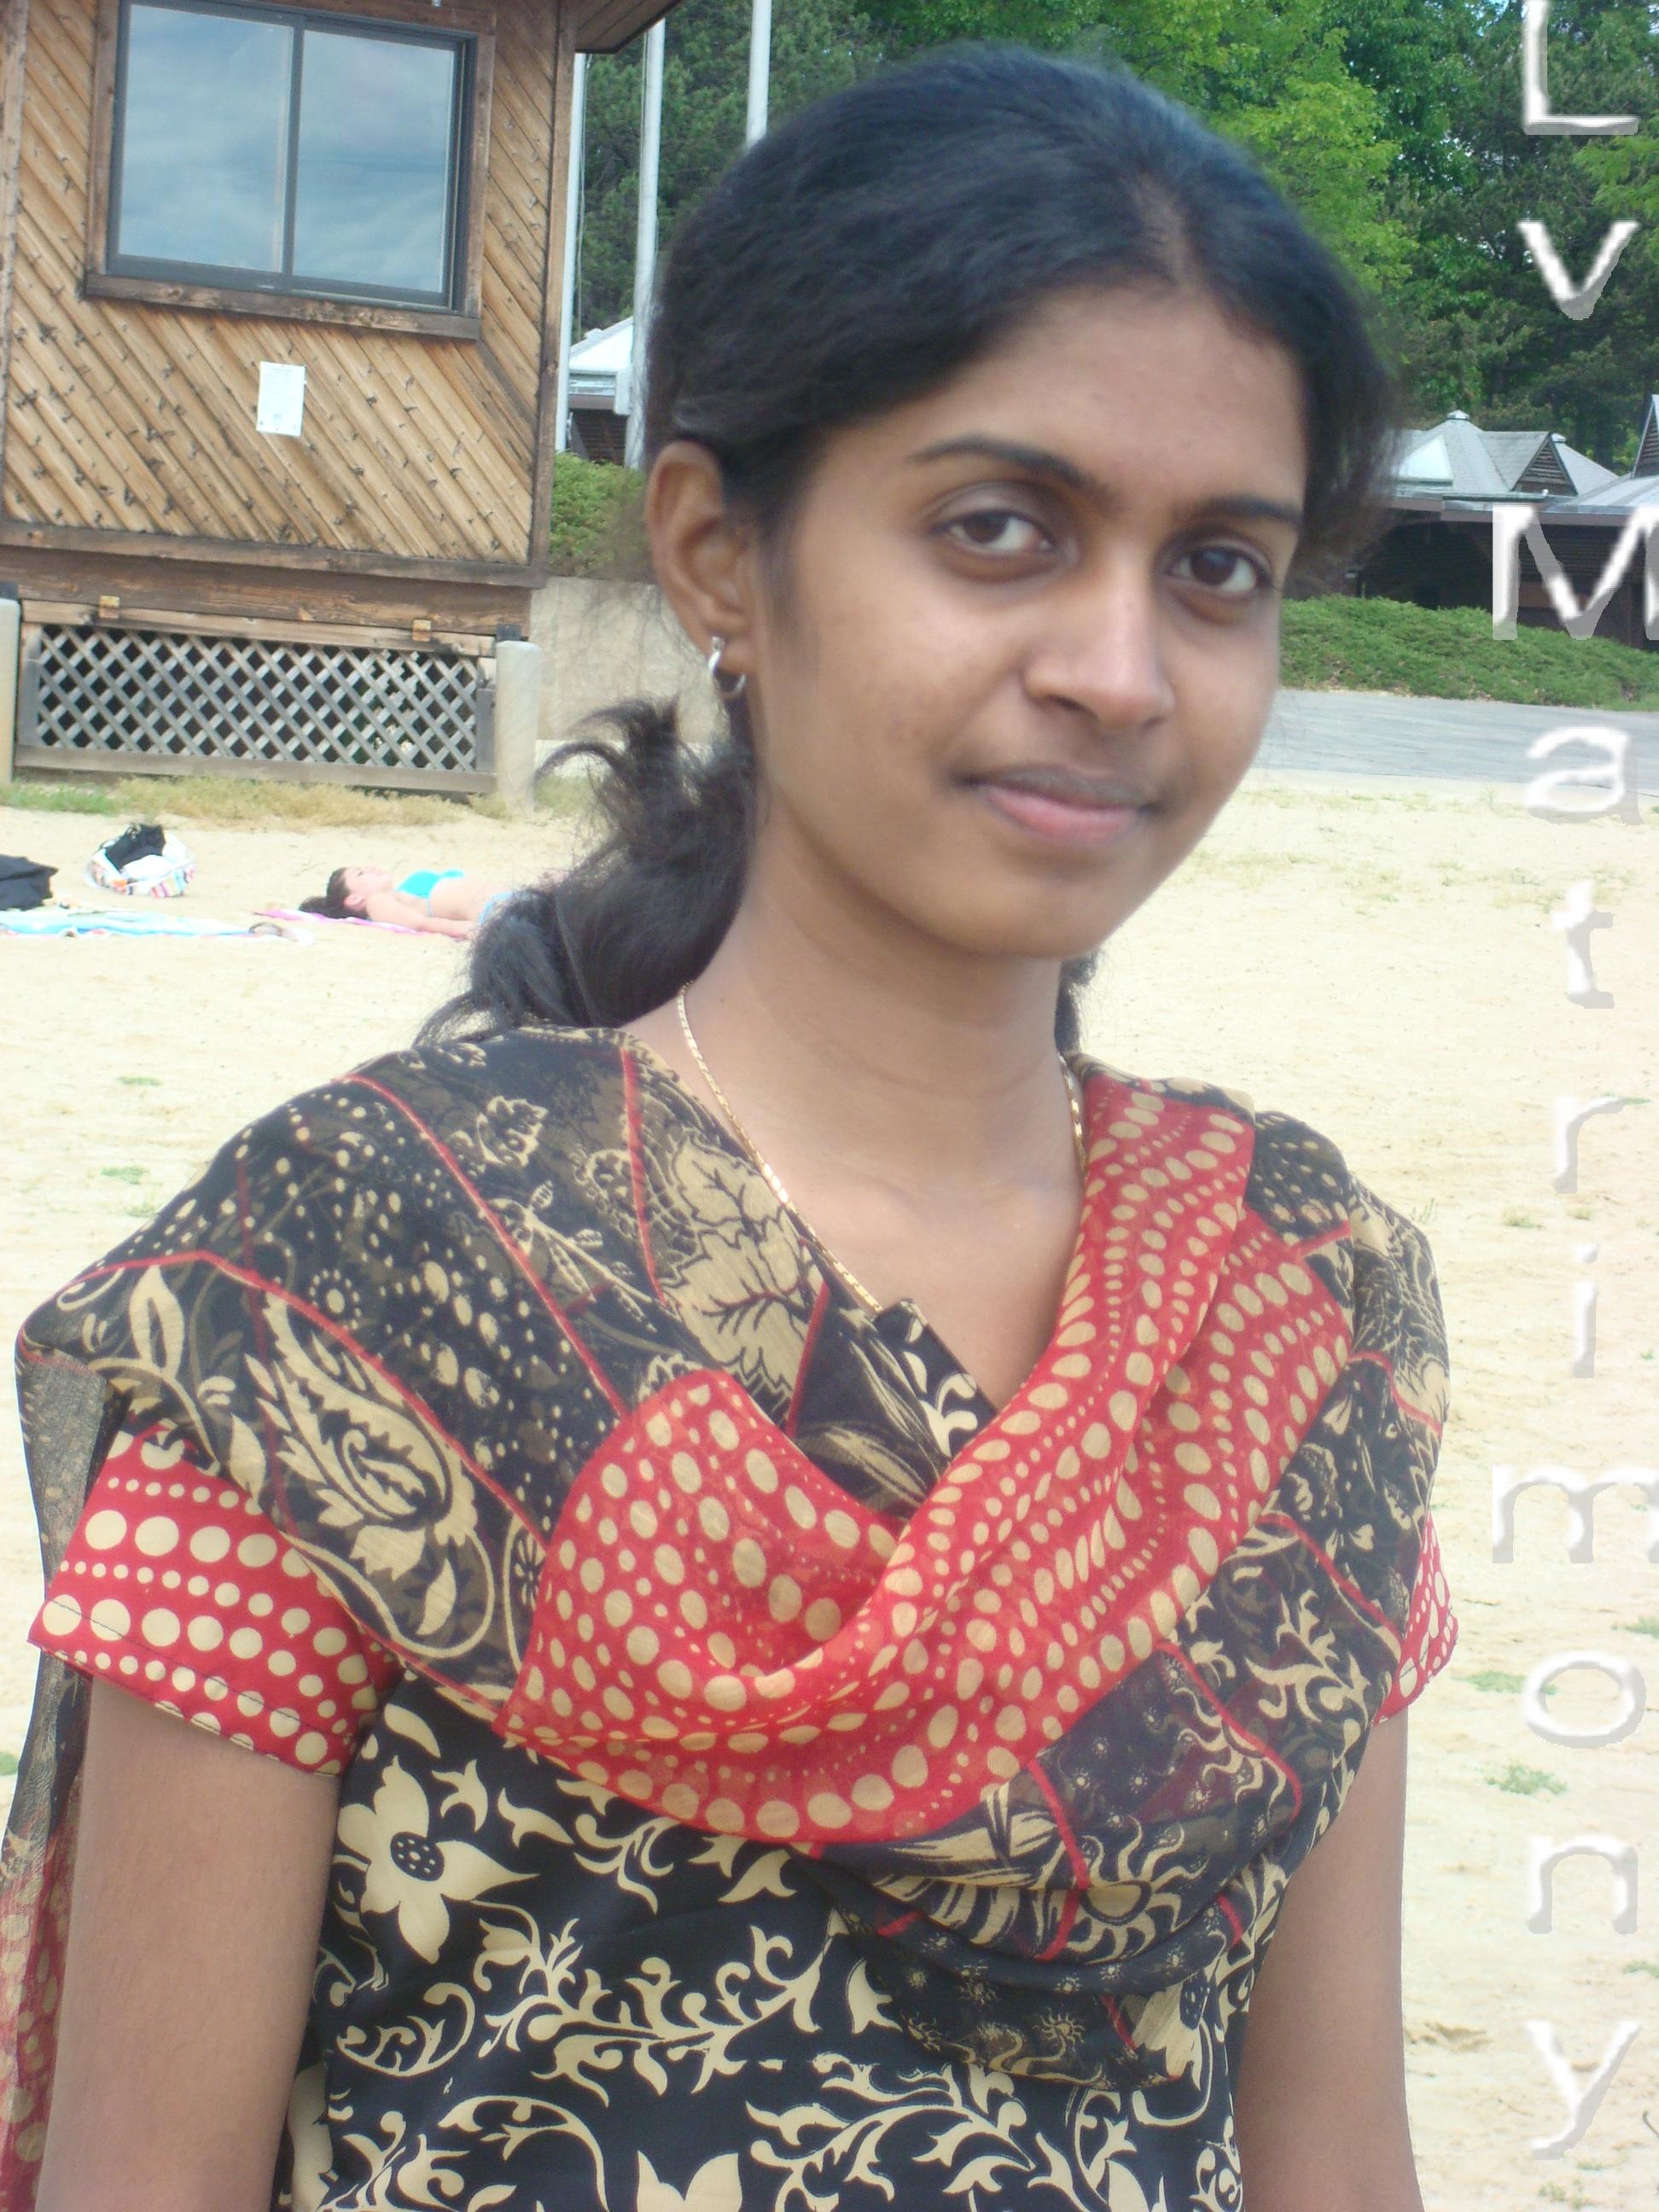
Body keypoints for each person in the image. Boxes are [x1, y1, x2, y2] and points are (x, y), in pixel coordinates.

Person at [0, 44, 1459, 2212]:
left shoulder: (1298, 1308)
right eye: (998, 529)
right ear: (715, 552)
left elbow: (1331, 2145)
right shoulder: (357, 1272)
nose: (1121, 668)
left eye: (1217, 567)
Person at [298, 864, 515, 937]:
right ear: (354, 899)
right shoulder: (376, 903)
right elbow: (421, 924)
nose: (370, 868)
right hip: (496, 910)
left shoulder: (399, 893)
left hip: (508, 901)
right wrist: (469, 931)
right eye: (361, 874)